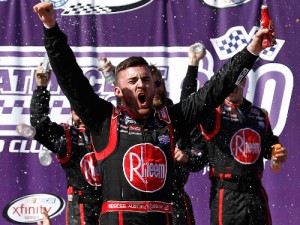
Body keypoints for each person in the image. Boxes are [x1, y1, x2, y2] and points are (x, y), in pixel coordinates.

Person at [33, 2, 271, 224]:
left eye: (146, 79)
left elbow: (215, 90)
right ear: (118, 90)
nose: (140, 84)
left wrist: (252, 50)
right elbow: (70, 78)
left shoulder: (170, 120)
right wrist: (51, 28)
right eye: (133, 80)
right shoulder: (105, 120)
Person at [181, 60, 288, 224]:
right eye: (228, 83)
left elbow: (270, 148)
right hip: (227, 194)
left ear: (244, 81)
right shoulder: (213, 113)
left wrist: (277, 153)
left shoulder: (259, 114)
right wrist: (193, 64)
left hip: (255, 193)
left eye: (236, 81)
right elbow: (189, 103)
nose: (232, 87)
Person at [30, 63, 102, 225]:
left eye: (86, 111)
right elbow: (39, 126)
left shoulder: (105, 131)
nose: (82, 117)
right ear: (71, 112)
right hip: (81, 208)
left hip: (110, 204)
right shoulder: (67, 136)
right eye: (77, 111)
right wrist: (41, 88)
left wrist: (112, 77)